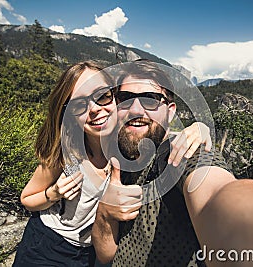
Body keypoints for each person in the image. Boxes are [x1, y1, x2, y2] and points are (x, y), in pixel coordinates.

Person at [92, 60, 253, 267]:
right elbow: (106, 255)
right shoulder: (117, 156)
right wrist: (104, 214)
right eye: (125, 98)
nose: (136, 109)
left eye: (150, 99)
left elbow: (218, 193)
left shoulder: (183, 154)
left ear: (170, 111)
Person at [13, 60, 213, 267]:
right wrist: (54, 193)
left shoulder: (127, 144)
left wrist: (198, 129)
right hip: (48, 245)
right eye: (80, 104)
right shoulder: (68, 153)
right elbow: (27, 198)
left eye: (102, 96)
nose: (94, 109)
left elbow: (156, 132)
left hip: (91, 252)